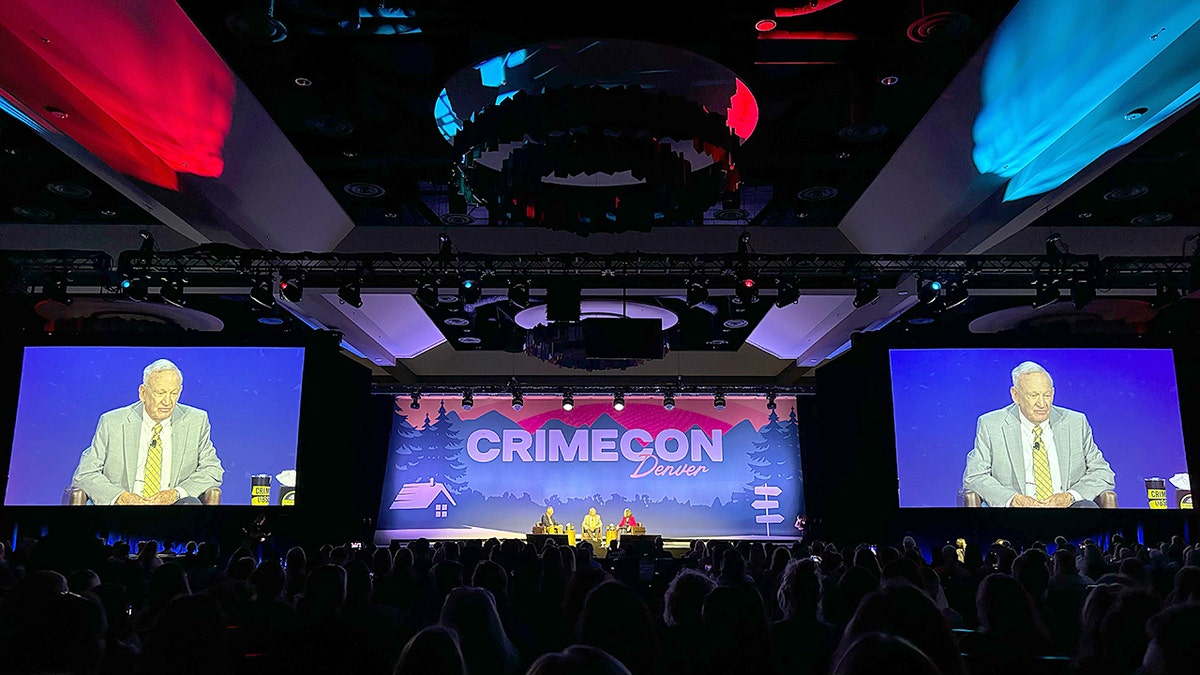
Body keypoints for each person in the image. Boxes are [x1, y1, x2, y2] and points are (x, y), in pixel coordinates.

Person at [71, 358, 224, 505]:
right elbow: (85, 473)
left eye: (174, 393)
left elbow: (212, 469)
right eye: (160, 393)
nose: (167, 401)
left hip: (174, 507)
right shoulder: (112, 422)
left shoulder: (196, 421)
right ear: (143, 393)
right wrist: (120, 497)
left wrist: (176, 493)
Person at [962, 361, 1114, 507]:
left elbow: (1102, 472)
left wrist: (1070, 496)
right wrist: (1012, 499)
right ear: (1015, 395)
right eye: (1033, 395)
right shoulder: (992, 425)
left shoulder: (1075, 423)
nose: (1042, 404)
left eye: (1046, 395)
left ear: (1053, 393)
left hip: (1068, 509)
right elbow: (975, 476)